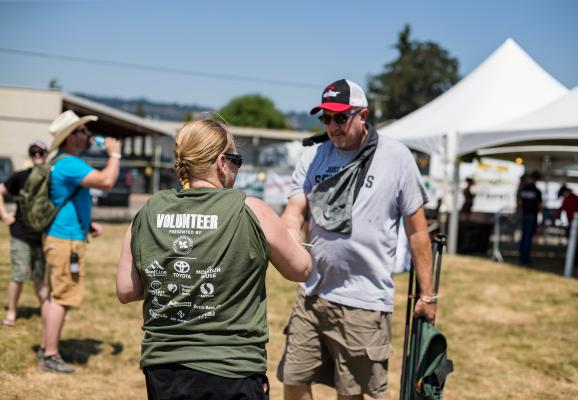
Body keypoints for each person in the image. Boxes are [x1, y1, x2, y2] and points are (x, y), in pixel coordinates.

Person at [116, 119, 312, 400]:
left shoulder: (147, 212)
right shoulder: (250, 210)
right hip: (233, 368)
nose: (236, 169)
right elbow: (301, 269)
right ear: (222, 162)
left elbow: (126, 290)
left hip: (163, 370)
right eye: (236, 160)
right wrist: (292, 228)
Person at [276, 79, 435, 400]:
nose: (332, 126)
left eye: (340, 117)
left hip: (364, 300)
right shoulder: (313, 156)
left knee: (351, 393)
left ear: (362, 115)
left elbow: (418, 231)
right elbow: (294, 211)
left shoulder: (396, 157)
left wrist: (428, 294)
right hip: (312, 294)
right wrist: (291, 242)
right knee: (293, 378)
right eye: (325, 118)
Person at [40, 110, 121, 373]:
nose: (89, 135)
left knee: (55, 296)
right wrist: (115, 154)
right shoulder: (70, 163)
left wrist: (87, 224)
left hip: (61, 235)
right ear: (71, 136)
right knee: (62, 297)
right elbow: (106, 181)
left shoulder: (60, 161)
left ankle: (47, 348)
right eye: (84, 131)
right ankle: (50, 355)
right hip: (65, 241)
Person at [0, 141, 49, 327]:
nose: (37, 155)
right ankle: (12, 312)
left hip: (40, 236)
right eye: (33, 152)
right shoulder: (20, 176)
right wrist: (4, 215)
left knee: (39, 277)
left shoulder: (49, 178)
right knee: (18, 275)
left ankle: (49, 309)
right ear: (30, 154)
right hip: (20, 234)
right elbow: (1, 190)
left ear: (46, 154)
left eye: (41, 152)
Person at [555, 185, 578, 266]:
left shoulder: (567, 199)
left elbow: (559, 211)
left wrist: (555, 218)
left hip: (573, 226)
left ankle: (572, 262)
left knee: (572, 245)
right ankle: (576, 262)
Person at [516, 172, 542, 265]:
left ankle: (522, 257)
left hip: (524, 215)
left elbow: (519, 204)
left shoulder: (523, 190)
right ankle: (525, 259)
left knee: (524, 236)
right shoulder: (537, 191)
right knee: (528, 237)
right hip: (532, 215)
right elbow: (539, 206)